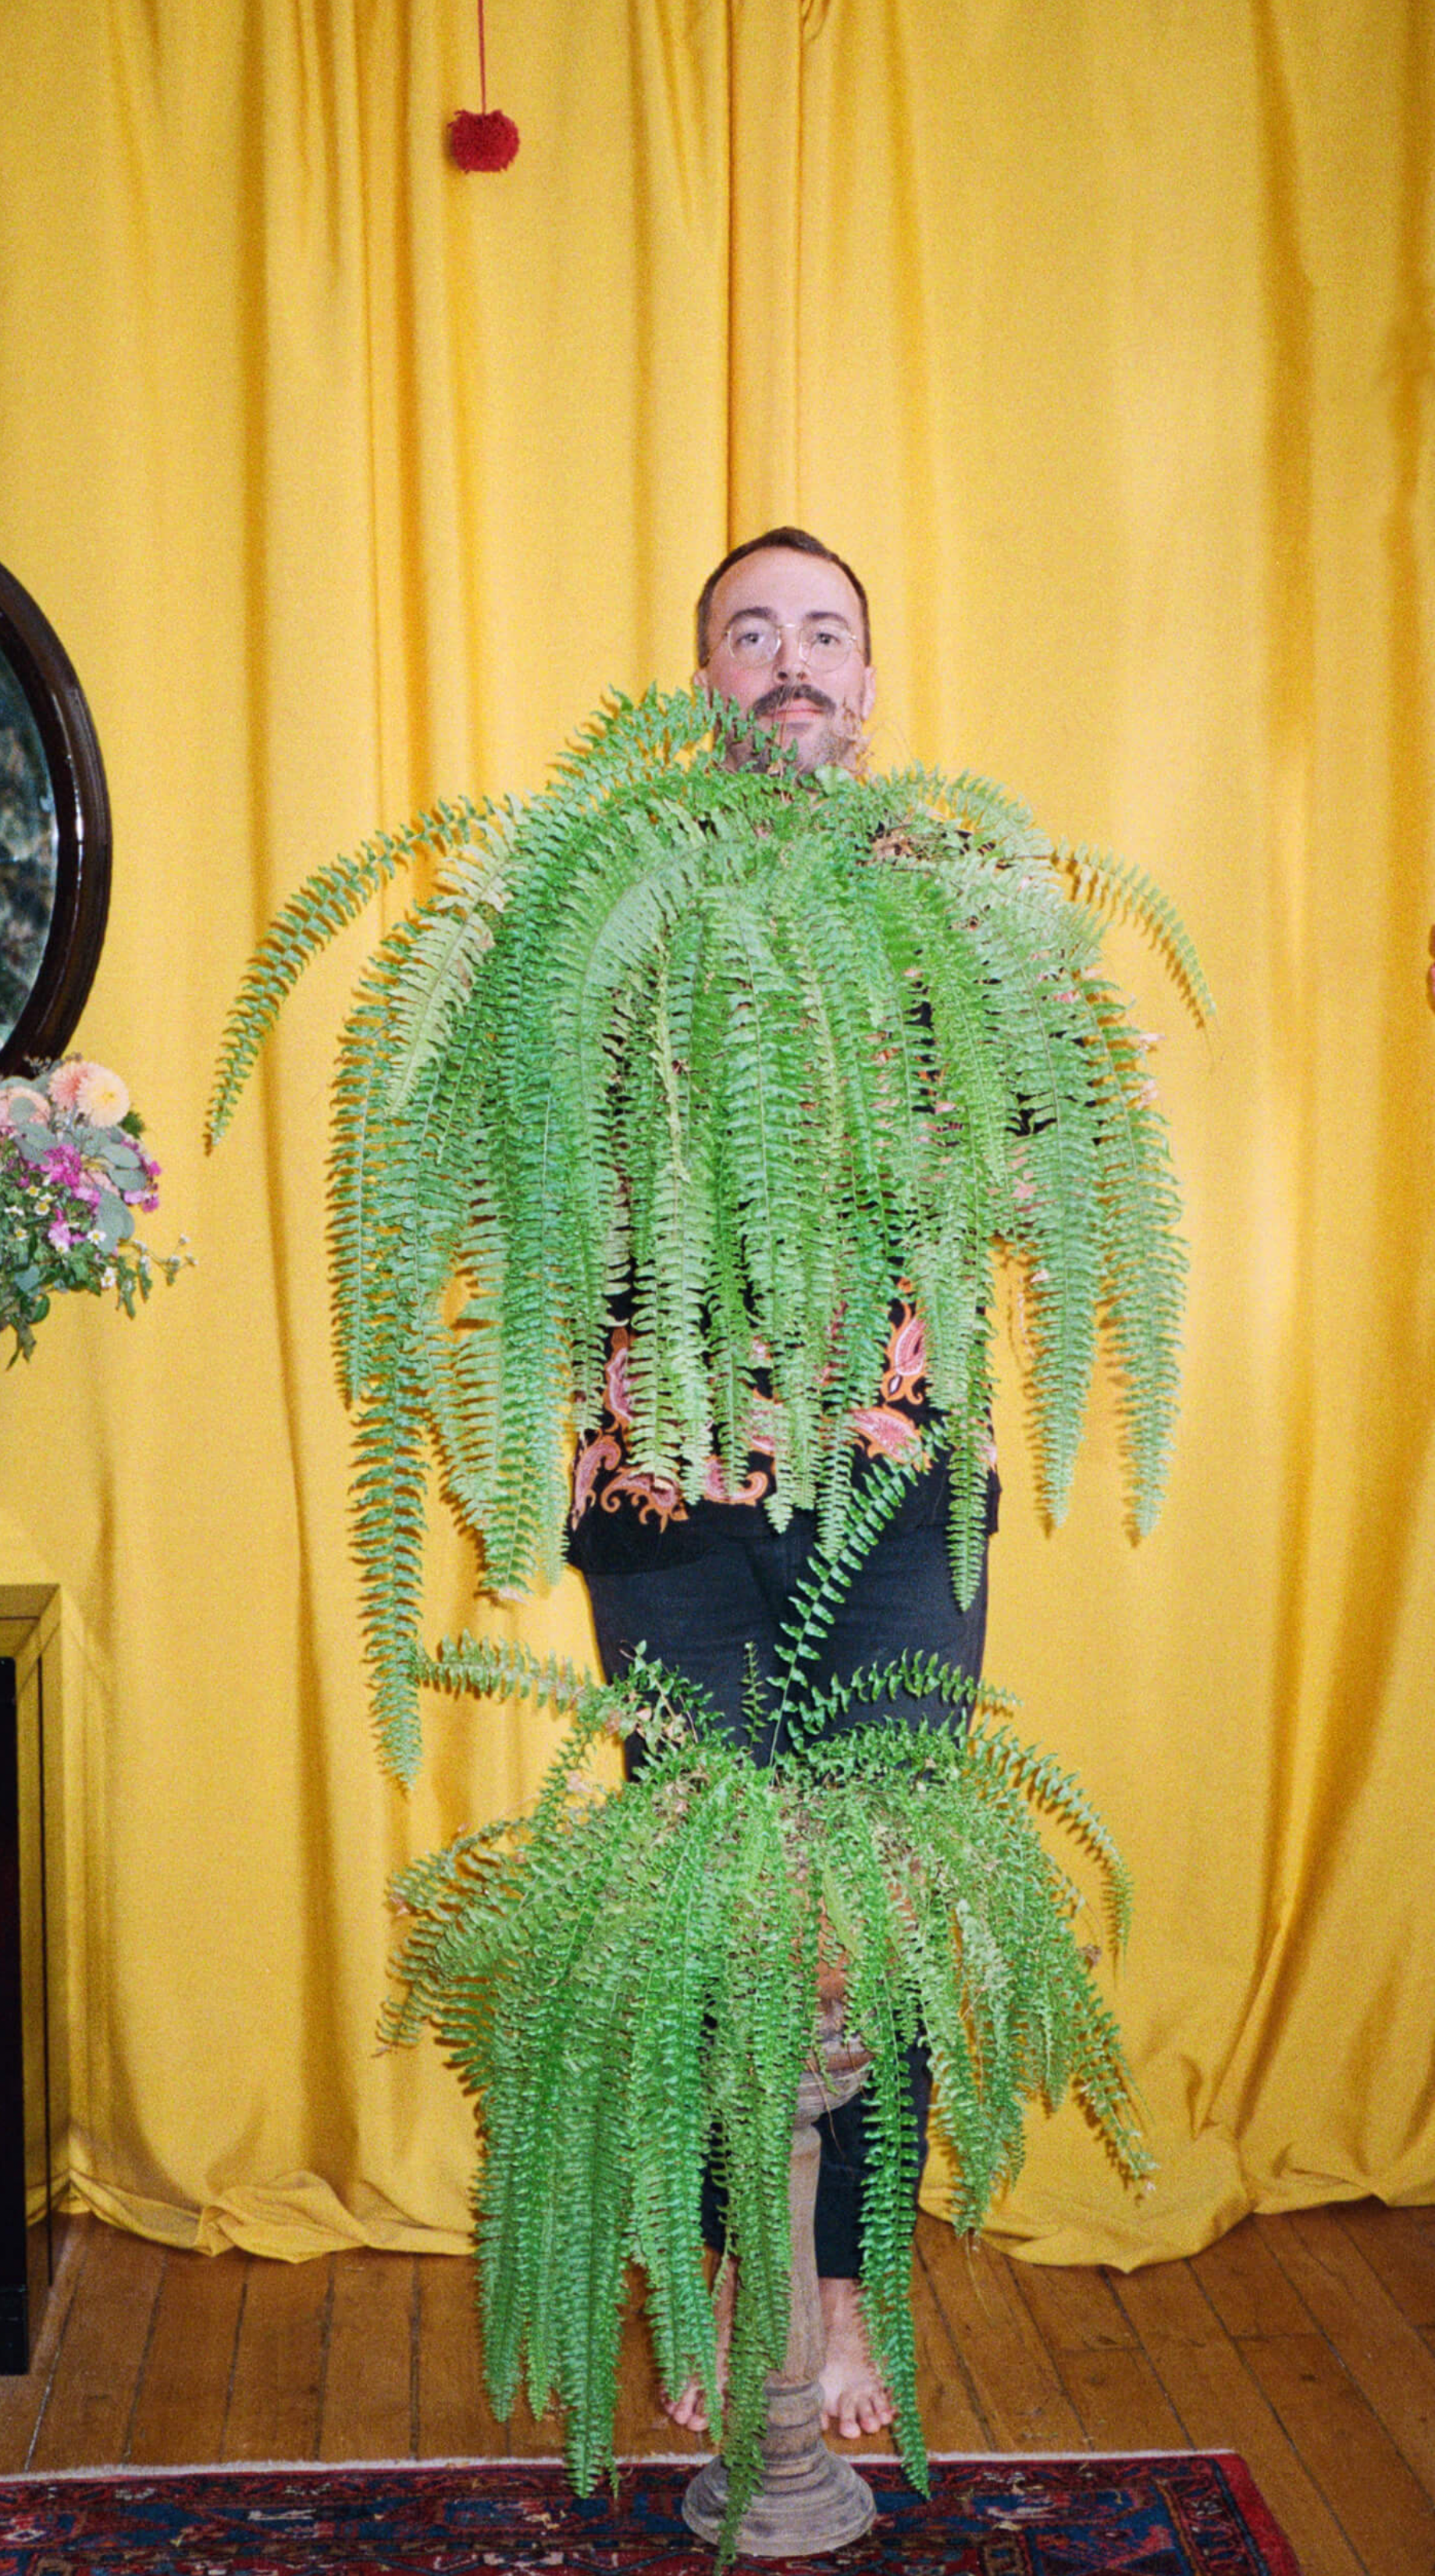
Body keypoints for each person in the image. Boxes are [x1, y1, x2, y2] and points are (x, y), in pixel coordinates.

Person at [565, 528, 997, 2441]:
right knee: (721, 1900)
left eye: (826, 633)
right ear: (703, 683)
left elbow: (1036, 1135)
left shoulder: (953, 905)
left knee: (875, 1894)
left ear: (873, 685)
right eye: (755, 634)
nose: (791, 662)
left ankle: (847, 2297)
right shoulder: (609, 896)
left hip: (892, 1474)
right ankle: (728, 2266)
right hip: (668, 1482)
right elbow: (539, 1151)